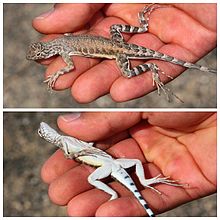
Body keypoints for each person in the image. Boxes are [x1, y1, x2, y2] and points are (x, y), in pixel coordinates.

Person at [41, 112, 216, 216]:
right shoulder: (65, 144)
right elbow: (83, 148)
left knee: (92, 181)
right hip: (111, 163)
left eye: (44, 133)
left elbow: (86, 146)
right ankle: (134, 187)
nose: (46, 133)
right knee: (134, 181)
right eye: (44, 134)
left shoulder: (65, 141)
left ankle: (115, 194)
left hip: (109, 164)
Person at [32, 3, 216, 103]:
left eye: (38, 56)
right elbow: (68, 35)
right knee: (114, 26)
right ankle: (143, 27)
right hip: (115, 43)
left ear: (45, 53)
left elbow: (70, 66)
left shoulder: (64, 50)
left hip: (117, 51)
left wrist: (57, 73)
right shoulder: (63, 40)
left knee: (127, 74)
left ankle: (151, 65)